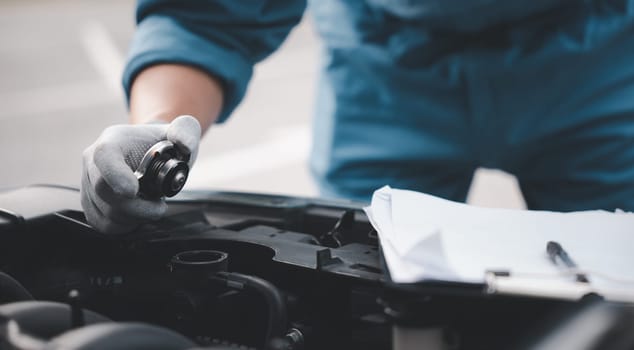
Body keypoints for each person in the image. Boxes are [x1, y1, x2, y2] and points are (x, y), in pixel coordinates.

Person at [81, 0, 634, 234]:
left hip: (597, 57)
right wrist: (160, 126)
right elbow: (206, 17)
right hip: (384, 67)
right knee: (359, 281)